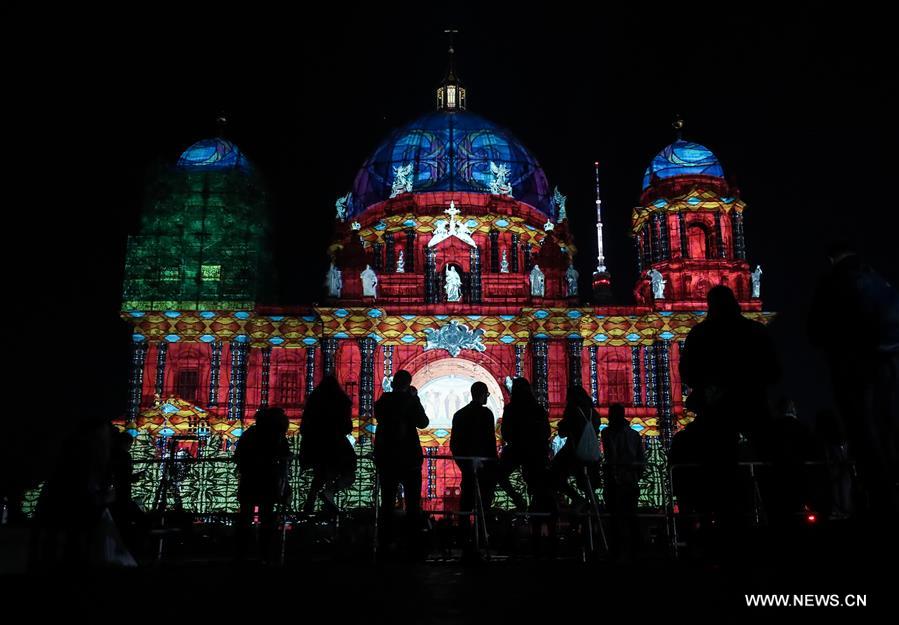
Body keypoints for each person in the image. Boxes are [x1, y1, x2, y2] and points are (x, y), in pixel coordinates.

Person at [679, 285, 780, 554]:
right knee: (768, 461)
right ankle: (779, 521)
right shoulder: (755, 331)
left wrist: (712, 386)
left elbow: (687, 373)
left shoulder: (700, 333)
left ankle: (730, 530)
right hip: (753, 404)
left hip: (718, 411)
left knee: (722, 468)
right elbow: (774, 370)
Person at [809, 242, 899, 517]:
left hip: (853, 369)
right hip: (889, 369)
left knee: (864, 433)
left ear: (832, 259)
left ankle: (881, 500)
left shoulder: (834, 283)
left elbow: (815, 330)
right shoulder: (880, 281)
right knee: (889, 429)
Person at [373, 369, 429, 554]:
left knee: (387, 502)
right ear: (407, 384)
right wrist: (414, 398)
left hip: (387, 458)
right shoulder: (410, 400)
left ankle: (385, 541)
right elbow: (423, 422)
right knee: (413, 502)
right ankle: (412, 543)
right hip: (408, 459)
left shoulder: (382, 402)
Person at [234, 406, 290, 563]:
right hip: (268, 481)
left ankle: (242, 553)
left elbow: (239, 457)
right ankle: (264, 554)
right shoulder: (277, 436)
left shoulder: (249, 434)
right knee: (267, 518)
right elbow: (285, 459)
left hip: (250, 481)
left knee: (245, 517)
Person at [450, 382, 498, 557]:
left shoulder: (460, 414)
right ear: (482, 394)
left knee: (466, 503)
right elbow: (490, 442)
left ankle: (465, 540)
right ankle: (481, 539)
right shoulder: (486, 414)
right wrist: (492, 464)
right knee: (484, 503)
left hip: (467, 465)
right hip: (484, 466)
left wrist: (463, 464)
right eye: (487, 394)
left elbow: (454, 444)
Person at [299, 376, 356, 514]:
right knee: (348, 473)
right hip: (337, 445)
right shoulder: (342, 401)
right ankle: (329, 493)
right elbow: (347, 426)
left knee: (320, 475)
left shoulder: (313, 401)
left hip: (315, 445)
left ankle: (311, 503)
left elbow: (304, 427)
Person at [601, 404, 645, 561]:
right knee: (630, 515)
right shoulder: (634, 435)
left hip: (616, 480)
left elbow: (610, 455)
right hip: (629, 480)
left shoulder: (607, 433)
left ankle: (618, 549)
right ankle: (634, 549)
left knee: (616, 516)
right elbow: (641, 458)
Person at [551, 385, 602, 507]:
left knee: (554, 475)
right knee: (587, 485)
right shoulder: (593, 413)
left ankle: (577, 499)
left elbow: (563, 432)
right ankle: (595, 507)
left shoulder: (573, 411)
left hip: (573, 452)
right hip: (591, 454)